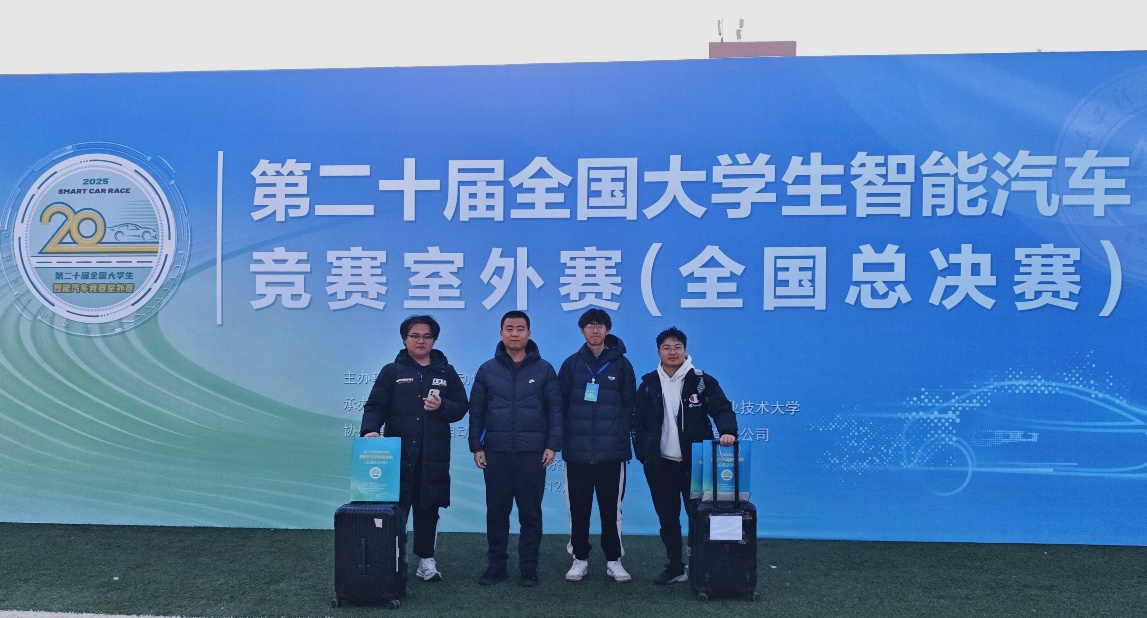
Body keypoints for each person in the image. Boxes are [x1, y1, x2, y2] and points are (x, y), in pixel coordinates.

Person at [360, 314, 469, 583]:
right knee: (393, 510)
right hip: (397, 456)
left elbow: (461, 407)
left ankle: (426, 561)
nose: (421, 341)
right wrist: (370, 429)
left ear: (434, 340)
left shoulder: (445, 372)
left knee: (428, 509)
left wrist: (442, 407)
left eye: (427, 336)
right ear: (404, 339)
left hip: (433, 456)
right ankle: (391, 560)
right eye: (415, 336)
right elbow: (375, 406)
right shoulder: (392, 371)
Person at [632, 326, 737, 585]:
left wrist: (728, 431)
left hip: (695, 465)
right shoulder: (648, 384)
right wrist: (644, 455)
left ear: (685, 350)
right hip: (660, 465)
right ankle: (675, 567)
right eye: (666, 347)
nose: (672, 352)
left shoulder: (700, 381)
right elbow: (638, 423)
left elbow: (721, 407)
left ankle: (703, 567)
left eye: (677, 347)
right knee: (667, 520)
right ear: (658, 352)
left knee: (699, 517)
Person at [469, 310, 563, 587]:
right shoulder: (487, 370)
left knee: (530, 514)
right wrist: (476, 446)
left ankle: (528, 569)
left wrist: (552, 445)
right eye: (509, 328)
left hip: (532, 453)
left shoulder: (544, 369)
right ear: (501, 333)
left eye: (520, 329)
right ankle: (496, 567)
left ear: (529, 334)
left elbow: (555, 410)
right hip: (496, 452)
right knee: (496, 513)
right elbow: (477, 411)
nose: (514, 333)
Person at [556, 308, 636, 583]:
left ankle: (614, 560)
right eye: (589, 326)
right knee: (578, 509)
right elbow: (560, 406)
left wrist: (620, 438)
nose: (595, 330)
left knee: (611, 511)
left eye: (600, 325)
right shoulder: (571, 365)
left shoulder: (622, 365)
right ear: (582, 331)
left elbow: (630, 407)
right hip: (577, 452)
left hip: (611, 453)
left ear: (607, 330)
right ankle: (579, 559)